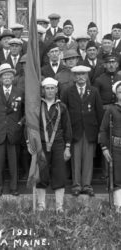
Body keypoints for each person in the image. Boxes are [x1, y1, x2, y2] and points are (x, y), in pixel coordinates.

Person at [62, 65, 103, 197]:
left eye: (83, 74)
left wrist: (100, 131)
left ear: (86, 76)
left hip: (90, 129)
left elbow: (99, 112)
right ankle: (76, 185)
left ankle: (87, 185)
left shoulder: (94, 91)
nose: (80, 77)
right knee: (76, 159)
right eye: (78, 75)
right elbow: (63, 112)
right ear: (74, 77)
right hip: (74, 130)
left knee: (88, 159)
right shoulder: (68, 91)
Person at [34, 77, 72, 212]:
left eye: (52, 88)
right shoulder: (38, 106)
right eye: (47, 88)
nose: (50, 91)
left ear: (56, 90)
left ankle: (59, 206)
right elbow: (32, 126)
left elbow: (67, 128)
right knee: (41, 173)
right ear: (43, 90)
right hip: (42, 145)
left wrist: (67, 147)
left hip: (58, 144)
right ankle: (41, 204)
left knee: (59, 174)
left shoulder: (62, 107)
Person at [0, 63, 24, 196]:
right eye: (4, 75)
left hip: (14, 132)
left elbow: (25, 112)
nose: (7, 77)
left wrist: (20, 124)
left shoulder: (19, 92)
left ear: (13, 77)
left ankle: (14, 187)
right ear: (0, 78)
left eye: (9, 75)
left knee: (14, 162)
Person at [99, 81, 121, 213]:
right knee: (117, 177)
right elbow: (103, 129)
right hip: (116, 148)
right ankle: (118, 207)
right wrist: (105, 148)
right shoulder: (111, 109)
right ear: (116, 94)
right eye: (120, 92)